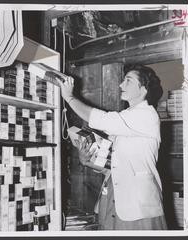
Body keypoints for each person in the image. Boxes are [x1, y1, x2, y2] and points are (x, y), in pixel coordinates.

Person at [58, 64, 167, 230]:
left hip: (137, 203)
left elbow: (101, 119)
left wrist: (69, 98)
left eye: (128, 81)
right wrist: (87, 160)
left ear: (144, 89)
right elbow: (112, 166)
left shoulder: (146, 115)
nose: (121, 85)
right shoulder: (127, 119)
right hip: (114, 196)